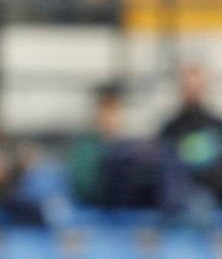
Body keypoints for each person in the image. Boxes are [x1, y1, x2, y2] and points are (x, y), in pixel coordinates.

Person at [67, 81, 188, 212]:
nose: (111, 117)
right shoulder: (86, 147)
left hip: (135, 200)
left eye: (115, 110)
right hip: (107, 202)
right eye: (107, 110)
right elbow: (86, 188)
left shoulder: (128, 143)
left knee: (167, 154)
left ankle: (173, 214)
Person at [158, 60, 222, 210]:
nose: (192, 90)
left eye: (196, 85)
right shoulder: (170, 129)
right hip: (182, 202)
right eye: (188, 86)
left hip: (220, 204)